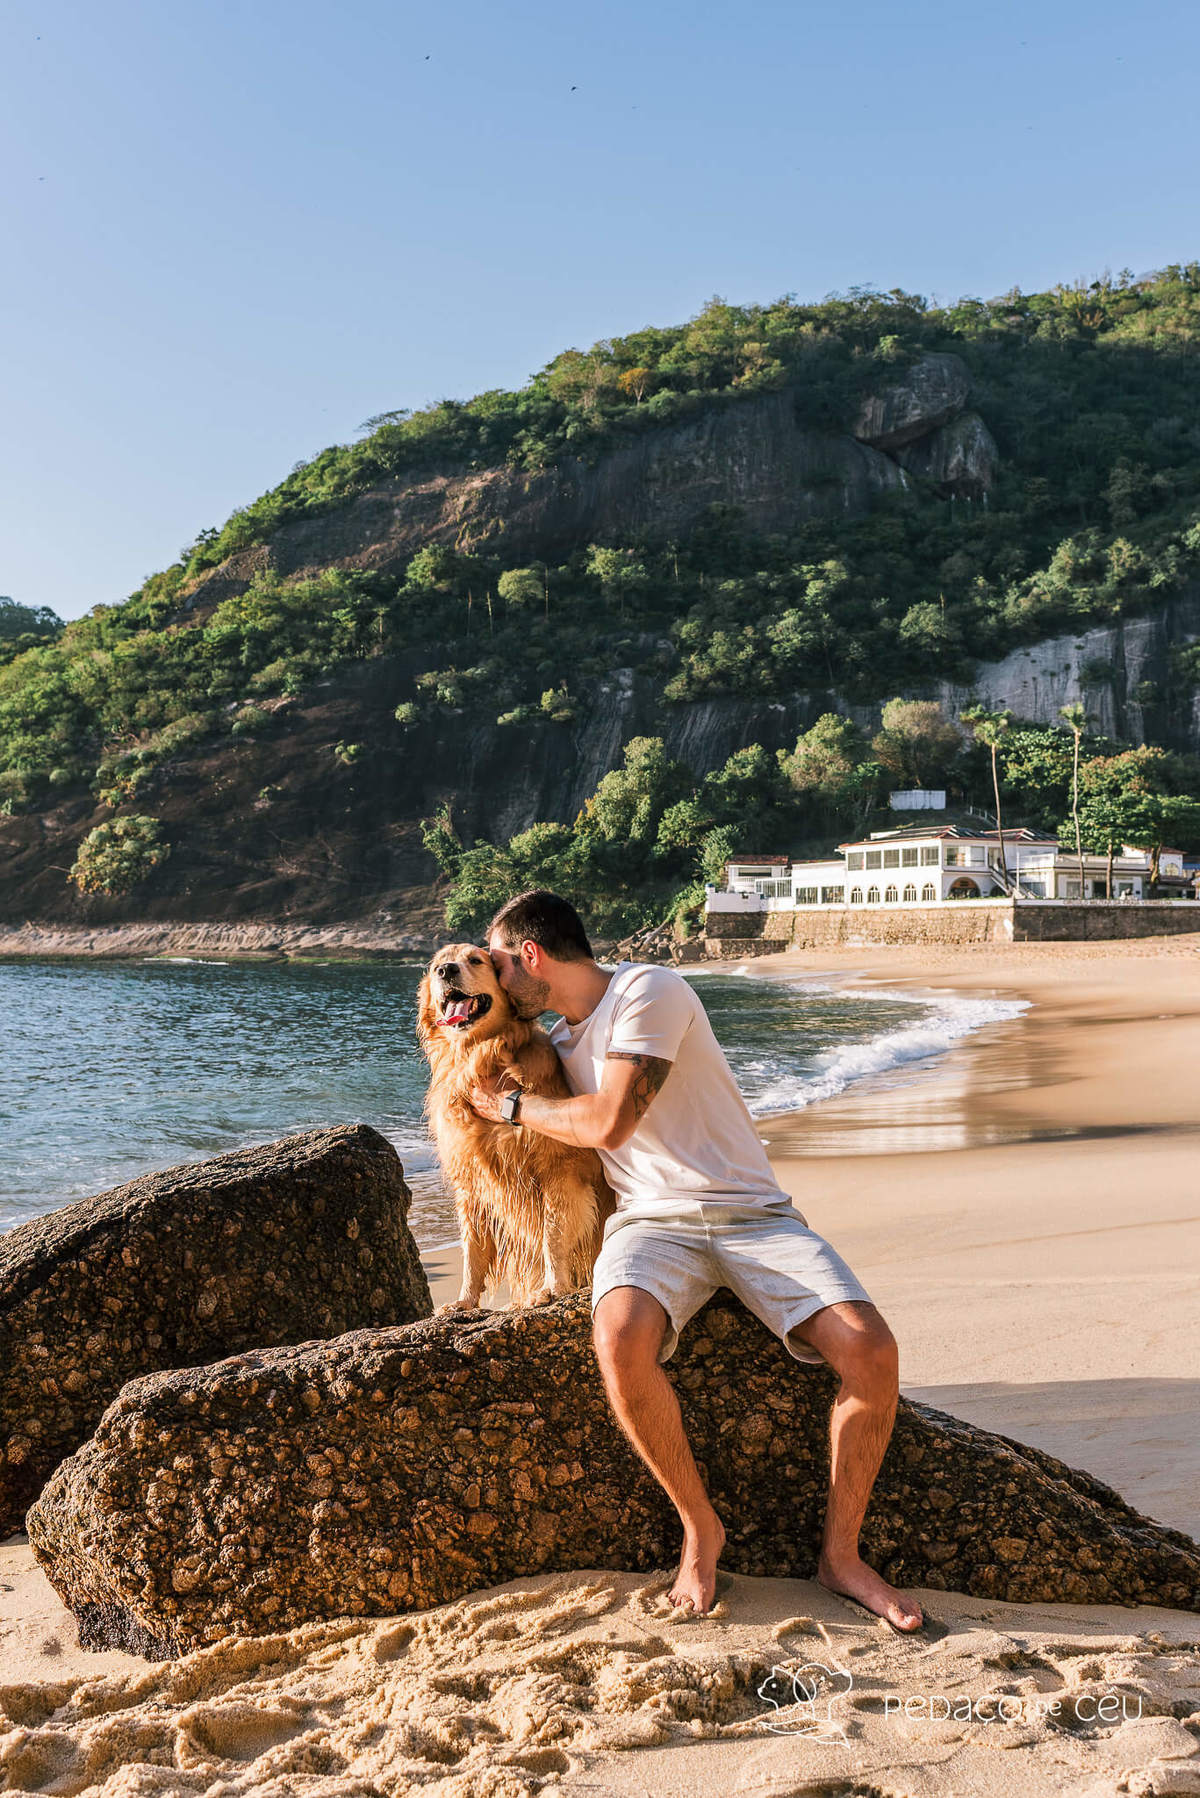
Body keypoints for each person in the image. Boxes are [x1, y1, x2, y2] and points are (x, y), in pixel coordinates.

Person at [468, 888, 923, 1631]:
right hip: (650, 1224)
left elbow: (611, 1121)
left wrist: (511, 1108)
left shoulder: (650, 989)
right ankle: (698, 1526)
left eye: (496, 962)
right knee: (618, 1337)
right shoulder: (552, 1046)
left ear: (531, 956)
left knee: (871, 1351)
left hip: (753, 1213)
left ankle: (841, 1557)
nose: (493, 977)